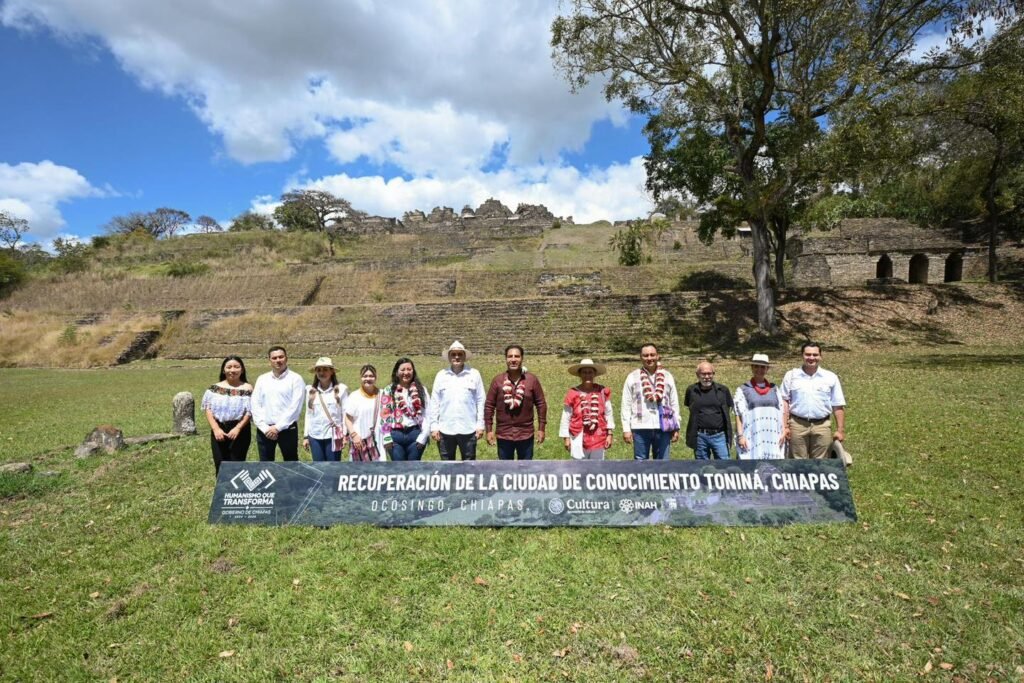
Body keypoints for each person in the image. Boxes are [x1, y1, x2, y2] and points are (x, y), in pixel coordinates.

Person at [780, 342, 847, 459]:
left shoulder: (830, 377)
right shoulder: (791, 376)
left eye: (815, 355)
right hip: (797, 425)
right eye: (808, 354)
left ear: (820, 356)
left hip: (822, 426)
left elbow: (838, 405)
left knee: (820, 463)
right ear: (802, 355)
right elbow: (784, 402)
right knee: (797, 463)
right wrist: (785, 426)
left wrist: (840, 430)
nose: (811, 358)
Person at [484, 344, 548, 460]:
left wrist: (541, 428)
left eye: (517, 356)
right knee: (506, 468)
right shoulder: (497, 381)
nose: (513, 359)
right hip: (504, 434)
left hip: (526, 434)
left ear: (522, 358)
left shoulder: (531, 380)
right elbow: (489, 406)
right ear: (506, 359)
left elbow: (541, 404)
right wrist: (489, 430)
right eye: (510, 356)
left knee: (525, 468)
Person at [620, 343, 680, 460]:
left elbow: (674, 402)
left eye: (652, 355)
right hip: (640, 426)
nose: (649, 358)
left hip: (663, 426)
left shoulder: (667, 376)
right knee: (641, 462)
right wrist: (626, 429)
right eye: (645, 355)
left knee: (663, 462)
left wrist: (676, 426)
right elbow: (626, 404)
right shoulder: (632, 377)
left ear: (657, 356)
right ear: (640, 357)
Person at [427, 341, 485, 461]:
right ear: (449, 357)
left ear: (464, 356)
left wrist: (480, 425)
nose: (457, 357)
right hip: (445, 429)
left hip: (468, 429)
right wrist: (434, 426)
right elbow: (434, 402)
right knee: (447, 466)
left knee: (469, 465)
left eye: (460, 354)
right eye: (453, 354)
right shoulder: (441, 375)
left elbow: (481, 400)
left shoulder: (474, 374)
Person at [250, 345, 306, 462]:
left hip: (287, 429)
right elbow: (255, 404)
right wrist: (265, 428)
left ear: (286, 358)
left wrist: (277, 427)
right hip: (265, 430)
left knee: (291, 463)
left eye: (281, 357)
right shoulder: (262, 379)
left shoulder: (296, 379)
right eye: (274, 358)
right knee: (265, 465)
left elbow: (295, 407)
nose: (278, 360)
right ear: (269, 360)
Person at [201, 356, 253, 475]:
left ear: (242, 370)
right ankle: (222, 486)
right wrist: (216, 429)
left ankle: (236, 486)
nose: (232, 370)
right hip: (219, 429)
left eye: (236, 367)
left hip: (240, 429)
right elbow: (208, 408)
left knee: (237, 463)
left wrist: (238, 428)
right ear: (223, 370)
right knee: (220, 463)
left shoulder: (248, 388)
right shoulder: (214, 388)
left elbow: (250, 411)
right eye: (229, 367)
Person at [559, 359, 615, 460]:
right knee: (578, 467)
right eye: (584, 372)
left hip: (599, 437)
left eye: (590, 372)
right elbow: (566, 416)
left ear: (594, 374)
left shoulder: (602, 391)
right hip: (578, 437)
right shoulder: (573, 393)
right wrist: (566, 438)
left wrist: (609, 434)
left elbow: (608, 413)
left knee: (597, 467)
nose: (587, 375)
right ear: (580, 374)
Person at [733, 353, 786, 460]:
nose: (759, 369)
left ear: (767, 369)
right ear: (752, 368)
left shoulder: (774, 389)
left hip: (772, 435)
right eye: (756, 366)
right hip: (752, 435)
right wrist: (740, 436)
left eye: (763, 367)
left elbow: (782, 411)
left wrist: (784, 431)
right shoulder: (743, 389)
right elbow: (738, 415)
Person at [380, 357, 430, 461]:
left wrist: (424, 435)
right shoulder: (388, 390)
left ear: (413, 371)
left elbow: (428, 413)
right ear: (396, 372)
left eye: (409, 369)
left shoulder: (421, 390)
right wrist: (386, 437)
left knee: (413, 468)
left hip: (415, 434)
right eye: (402, 370)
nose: (406, 373)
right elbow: (384, 415)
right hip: (395, 436)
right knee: (398, 468)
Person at [683, 361, 734, 460]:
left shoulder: (723, 390)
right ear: (697, 374)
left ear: (713, 374)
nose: (707, 377)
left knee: (724, 465)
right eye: (703, 374)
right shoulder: (691, 390)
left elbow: (728, 410)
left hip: (719, 436)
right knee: (702, 466)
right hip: (700, 437)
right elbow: (689, 407)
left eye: (709, 373)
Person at [302, 357, 348, 462]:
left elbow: (345, 413)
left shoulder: (341, 389)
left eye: (325, 369)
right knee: (318, 467)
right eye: (319, 370)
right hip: (315, 435)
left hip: (334, 436)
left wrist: (345, 435)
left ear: (332, 371)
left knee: (333, 467)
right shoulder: (310, 390)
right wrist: (306, 436)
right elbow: (308, 414)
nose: (322, 373)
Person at [344, 364, 386, 461]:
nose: (368, 379)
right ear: (361, 378)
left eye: (371, 376)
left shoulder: (382, 394)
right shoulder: (354, 396)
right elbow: (348, 419)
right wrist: (354, 435)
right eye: (365, 376)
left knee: (378, 468)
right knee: (359, 468)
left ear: (375, 378)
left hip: (378, 440)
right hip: (360, 440)